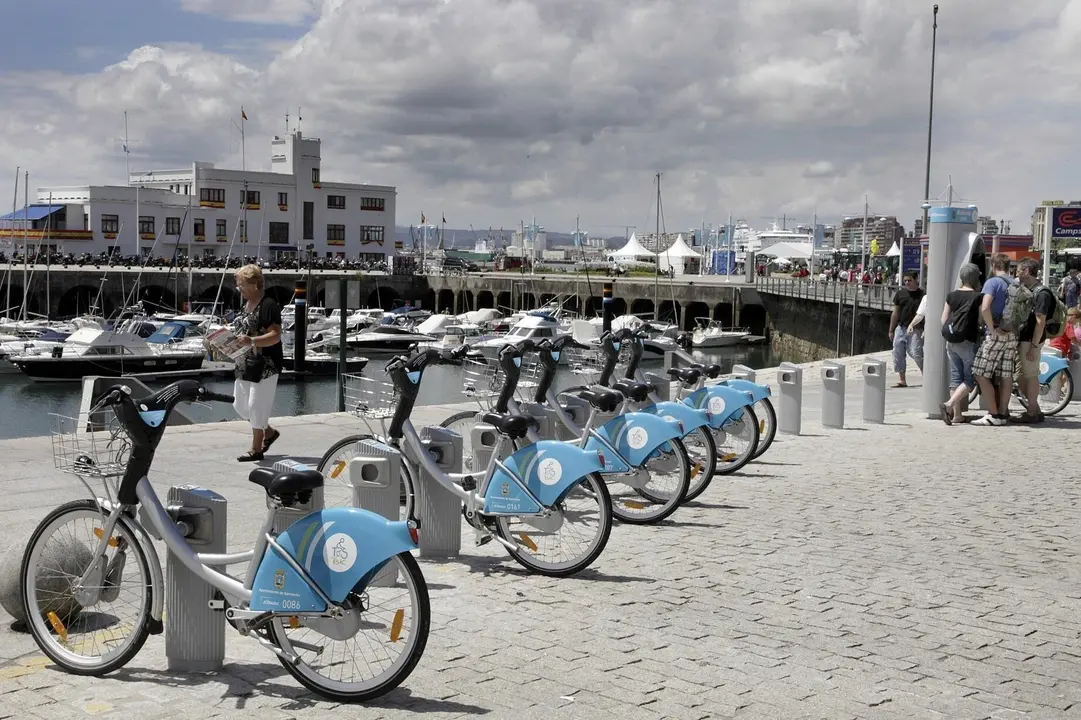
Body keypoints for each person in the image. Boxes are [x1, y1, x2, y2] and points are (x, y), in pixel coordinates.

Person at [231, 264, 284, 461]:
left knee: (255, 406)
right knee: (240, 405)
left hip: (265, 365)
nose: (239, 289)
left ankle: (257, 448)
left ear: (254, 284)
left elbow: (276, 335)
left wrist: (252, 341)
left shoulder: (269, 305)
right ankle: (269, 432)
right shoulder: (245, 305)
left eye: (242, 285)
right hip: (244, 362)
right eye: (238, 286)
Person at [972, 254, 1017, 426]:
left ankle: (993, 414)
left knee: (980, 373)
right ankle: (1004, 413)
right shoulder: (1016, 283)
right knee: (1006, 374)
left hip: (997, 332)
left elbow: (985, 307)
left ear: (993, 265)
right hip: (1012, 334)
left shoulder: (992, 282)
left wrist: (991, 329)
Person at [938, 263, 982, 425]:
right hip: (967, 342)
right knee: (970, 380)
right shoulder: (977, 297)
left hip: (951, 341)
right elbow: (980, 321)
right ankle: (949, 405)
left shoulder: (951, 296)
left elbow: (943, 320)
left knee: (956, 378)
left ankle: (957, 415)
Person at [1013, 258, 1055, 423]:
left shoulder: (1042, 293)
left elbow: (1040, 321)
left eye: (1019, 270)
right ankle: (1035, 409)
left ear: (1027, 271)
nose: (1017, 274)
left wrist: (1034, 346)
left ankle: (1032, 413)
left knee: (1030, 375)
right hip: (1025, 339)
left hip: (1031, 341)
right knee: (1020, 375)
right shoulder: (1029, 290)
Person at [888, 270, 924, 387]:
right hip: (901, 327)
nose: (907, 283)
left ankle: (927, 375)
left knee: (915, 352)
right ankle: (902, 379)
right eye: (905, 281)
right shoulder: (900, 294)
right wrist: (891, 329)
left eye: (909, 280)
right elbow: (895, 312)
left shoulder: (922, 294)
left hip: (916, 328)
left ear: (916, 279)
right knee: (897, 351)